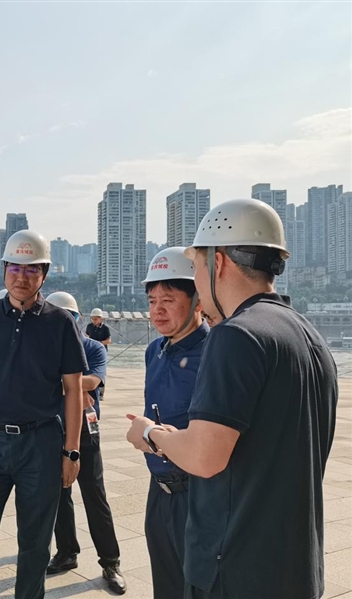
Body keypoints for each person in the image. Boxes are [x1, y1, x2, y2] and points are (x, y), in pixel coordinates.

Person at [126, 199, 338, 599]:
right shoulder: (307, 334)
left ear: (217, 262)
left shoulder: (236, 335)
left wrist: (151, 434)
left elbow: (204, 457)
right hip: (294, 564)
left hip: (236, 566)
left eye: (196, 267)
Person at [0, 230, 87, 599]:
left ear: (44, 274)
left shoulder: (61, 323)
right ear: (4, 270)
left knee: (35, 546)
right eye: (14, 268)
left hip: (40, 445)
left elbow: (73, 389)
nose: (21, 277)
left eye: (31, 270)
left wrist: (71, 451)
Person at [135, 247, 208, 599]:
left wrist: (152, 436)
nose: (157, 310)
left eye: (168, 300)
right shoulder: (154, 351)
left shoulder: (215, 352)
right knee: (165, 587)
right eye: (152, 301)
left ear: (198, 300)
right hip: (159, 491)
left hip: (199, 496)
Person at [44, 292, 126, 595]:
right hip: (51, 428)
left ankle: (111, 562)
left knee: (94, 495)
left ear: (78, 319)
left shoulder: (93, 347)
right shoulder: (43, 348)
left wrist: (66, 385)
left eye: (70, 316)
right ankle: (66, 552)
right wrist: (77, 387)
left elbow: (94, 381)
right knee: (58, 496)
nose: (65, 322)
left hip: (86, 432)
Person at [85, 308, 111, 399]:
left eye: (95, 319)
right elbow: (87, 336)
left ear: (101, 319)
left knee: (100, 372)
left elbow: (108, 341)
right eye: (92, 319)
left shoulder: (105, 328)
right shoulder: (89, 326)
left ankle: (101, 393)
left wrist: (98, 344)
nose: (94, 321)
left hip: (100, 353)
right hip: (90, 352)